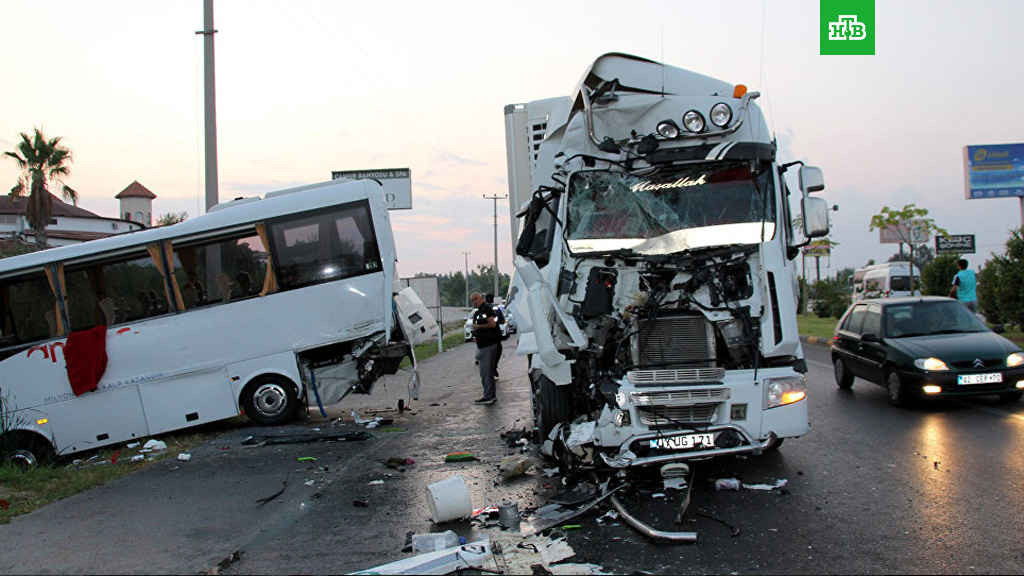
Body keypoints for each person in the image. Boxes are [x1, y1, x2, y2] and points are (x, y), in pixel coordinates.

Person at [469, 292, 500, 405]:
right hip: (483, 344)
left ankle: (488, 396)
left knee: (485, 372)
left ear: (481, 298)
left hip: (488, 345)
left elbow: (492, 324)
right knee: (488, 372)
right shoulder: (478, 312)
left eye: (476, 299)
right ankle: (491, 394)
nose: (474, 302)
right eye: (472, 300)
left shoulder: (486, 309)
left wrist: (478, 327)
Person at [486, 293, 504, 378]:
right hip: (495, 333)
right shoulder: (496, 308)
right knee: (498, 350)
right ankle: (494, 366)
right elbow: (502, 321)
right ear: (493, 300)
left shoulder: (482, 309)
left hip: (485, 334)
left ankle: (489, 368)